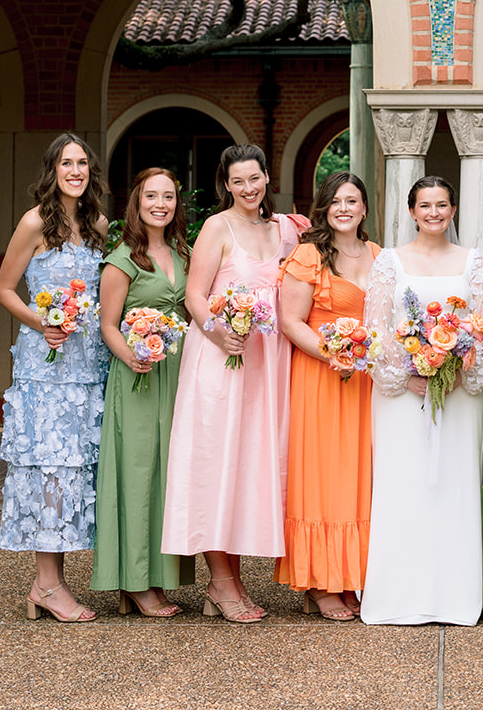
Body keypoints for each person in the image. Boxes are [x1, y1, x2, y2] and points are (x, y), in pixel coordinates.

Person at [161, 144, 308, 622]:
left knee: (248, 468)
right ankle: (222, 584)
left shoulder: (287, 229)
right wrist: (220, 333)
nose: (248, 188)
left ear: (267, 177)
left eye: (255, 178)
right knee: (217, 464)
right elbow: (195, 296)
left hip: (269, 365)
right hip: (222, 360)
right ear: (226, 184)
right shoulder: (216, 228)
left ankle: (232, 581)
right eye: (238, 181)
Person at [360, 177, 483, 626]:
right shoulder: (390, 263)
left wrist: (455, 370)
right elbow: (376, 331)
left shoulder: (474, 262)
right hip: (402, 397)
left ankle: (452, 596)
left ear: (453, 210)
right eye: (425, 205)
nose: (434, 212)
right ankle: (398, 595)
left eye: (442, 205)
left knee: (452, 485)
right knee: (404, 485)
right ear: (412, 211)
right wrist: (407, 374)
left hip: (457, 395)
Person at [0, 133, 110, 623]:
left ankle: (53, 582)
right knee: (50, 469)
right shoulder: (35, 222)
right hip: (46, 368)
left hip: (89, 363)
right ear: (53, 169)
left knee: (78, 469)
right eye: (67, 163)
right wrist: (41, 323)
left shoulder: (99, 223)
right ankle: (47, 584)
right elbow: (4, 289)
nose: (76, 171)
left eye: (83, 162)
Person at [276, 170, 380, 620]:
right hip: (320, 377)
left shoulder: (380, 256)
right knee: (322, 474)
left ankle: (353, 574)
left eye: (352, 201)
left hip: (365, 381)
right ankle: (319, 583)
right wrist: (332, 353)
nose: (344, 208)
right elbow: (291, 321)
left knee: (361, 476)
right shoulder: (308, 255)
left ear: (363, 209)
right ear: (325, 207)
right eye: (336, 201)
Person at [92, 167, 196, 616]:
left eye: (168, 196)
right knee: (137, 474)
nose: (160, 204)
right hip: (138, 374)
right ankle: (135, 581)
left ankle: (158, 576)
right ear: (136, 203)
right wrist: (132, 355)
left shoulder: (184, 252)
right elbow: (107, 326)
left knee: (169, 474)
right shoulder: (122, 260)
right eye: (151, 196)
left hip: (180, 375)